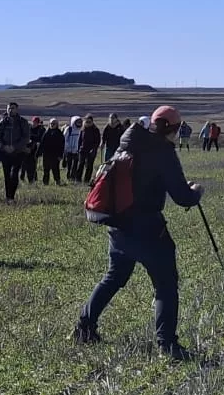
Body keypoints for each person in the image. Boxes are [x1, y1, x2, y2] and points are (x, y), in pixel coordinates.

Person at [77, 104, 203, 358]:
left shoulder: (127, 144)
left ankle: (84, 327)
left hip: (118, 227)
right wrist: (196, 191)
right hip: (147, 229)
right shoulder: (162, 152)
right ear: (174, 129)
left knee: (113, 278)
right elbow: (183, 198)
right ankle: (167, 345)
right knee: (166, 285)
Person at [0, 102, 33, 201]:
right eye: (9, 108)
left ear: (17, 109)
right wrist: (3, 147)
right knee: (7, 175)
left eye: (13, 108)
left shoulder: (22, 122)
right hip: (5, 153)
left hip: (18, 153)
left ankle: (12, 196)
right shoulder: (3, 122)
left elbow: (26, 137)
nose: (11, 110)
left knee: (14, 174)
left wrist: (15, 147)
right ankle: (8, 197)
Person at [41, 119, 67, 183]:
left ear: (57, 125)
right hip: (46, 154)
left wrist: (60, 155)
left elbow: (62, 146)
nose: (52, 125)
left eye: (54, 124)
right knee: (46, 169)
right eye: (51, 123)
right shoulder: (47, 132)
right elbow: (42, 143)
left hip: (55, 155)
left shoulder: (59, 133)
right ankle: (45, 182)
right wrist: (39, 152)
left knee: (55, 169)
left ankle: (57, 181)